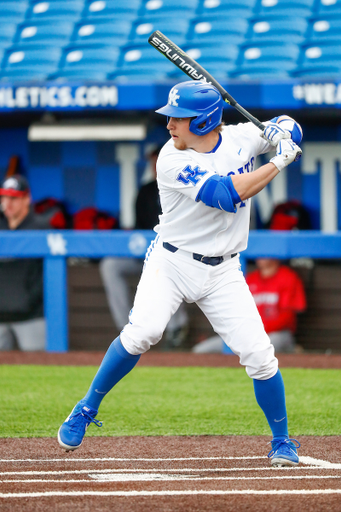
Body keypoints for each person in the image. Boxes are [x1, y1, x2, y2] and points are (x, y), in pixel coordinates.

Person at [58, 81, 303, 467]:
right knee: (143, 333)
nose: (170, 124)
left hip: (224, 269)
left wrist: (282, 130)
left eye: (179, 118)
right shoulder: (171, 160)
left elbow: (290, 124)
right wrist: (278, 161)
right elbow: (225, 195)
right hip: (171, 262)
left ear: (205, 122)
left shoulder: (242, 138)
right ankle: (86, 407)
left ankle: (282, 441)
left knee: (260, 354)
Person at [99, 146, 188, 350]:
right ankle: (128, 329)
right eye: (153, 161)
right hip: (146, 254)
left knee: (169, 264)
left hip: (178, 255)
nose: (156, 166)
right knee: (110, 265)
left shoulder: (185, 187)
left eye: (160, 160)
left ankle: (176, 328)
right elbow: (139, 228)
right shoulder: (146, 190)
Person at [193, 258, 307, 354]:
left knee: (259, 351)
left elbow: (287, 317)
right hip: (247, 335)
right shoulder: (250, 278)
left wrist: (258, 329)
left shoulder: (288, 277)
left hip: (277, 334)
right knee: (200, 350)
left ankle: (293, 350)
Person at [0, 174, 50, 351]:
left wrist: (30, 300)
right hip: (0, 317)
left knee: (39, 371)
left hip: (31, 317)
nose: (8, 203)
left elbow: (48, 275)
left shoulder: (41, 227)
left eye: (14, 198)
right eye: (4, 197)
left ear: (27, 199)